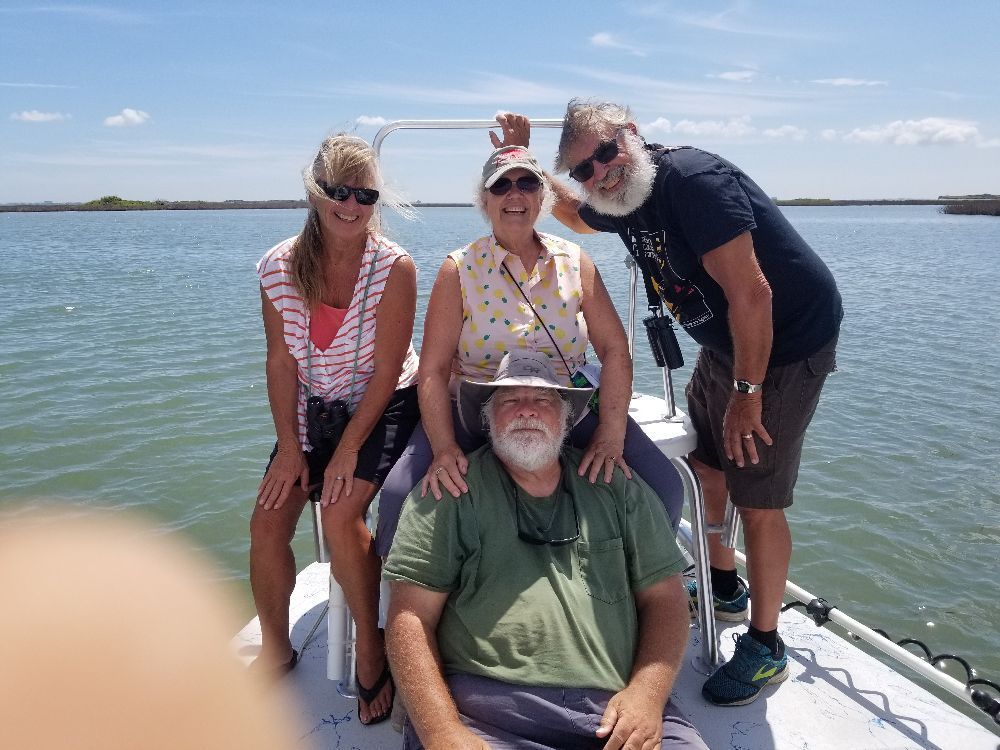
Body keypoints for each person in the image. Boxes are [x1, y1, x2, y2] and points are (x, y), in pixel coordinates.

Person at [492, 102, 843, 707]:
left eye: (606, 154)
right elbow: (575, 217)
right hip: (726, 342)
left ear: (632, 136)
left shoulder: (691, 182)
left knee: (757, 495)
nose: (601, 174)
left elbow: (753, 295)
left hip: (782, 343)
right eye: (585, 169)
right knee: (707, 465)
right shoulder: (626, 199)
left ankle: (766, 646)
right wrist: (527, 157)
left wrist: (748, 396)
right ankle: (723, 583)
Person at [374, 143, 685, 560]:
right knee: (396, 498)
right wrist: (445, 448)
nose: (514, 195)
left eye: (526, 183)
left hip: (563, 403)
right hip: (477, 406)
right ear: (485, 201)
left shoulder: (575, 261)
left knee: (664, 486)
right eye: (500, 186)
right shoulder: (459, 268)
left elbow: (613, 350)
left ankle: (637, 593)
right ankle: (395, 614)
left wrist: (611, 433)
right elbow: (431, 369)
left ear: (543, 196)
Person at [383, 352, 708, 749]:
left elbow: (666, 599)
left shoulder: (617, 485)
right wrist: (441, 731)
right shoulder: (448, 491)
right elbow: (409, 616)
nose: (527, 411)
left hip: (616, 710)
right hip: (486, 713)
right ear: (488, 421)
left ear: (566, 420)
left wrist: (648, 693)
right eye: (509, 401)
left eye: (542, 401)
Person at [250, 134, 420, 725]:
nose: (351, 205)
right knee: (268, 518)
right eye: (338, 192)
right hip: (313, 409)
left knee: (340, 512)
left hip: (387, 400)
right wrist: (293, 449)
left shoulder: (395, 268)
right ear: (314, 192)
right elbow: (280, 363)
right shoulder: (275, 267)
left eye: (365, 194)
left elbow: (386, 367)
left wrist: (347, 449)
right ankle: (276, 646)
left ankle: (370, 645)